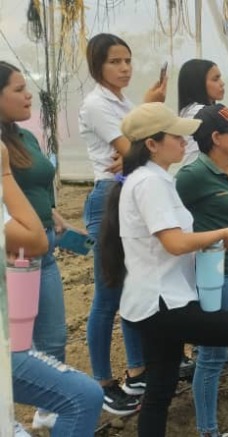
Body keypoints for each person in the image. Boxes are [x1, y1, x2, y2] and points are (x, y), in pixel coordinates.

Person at [100, 102, 228, 436]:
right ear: (152, 144)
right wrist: (221, 235)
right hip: (163, 303)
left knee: (160, 388)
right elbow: (174, 243)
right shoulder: (150, 183)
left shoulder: (153, 179)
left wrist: (212, 242)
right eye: (176, 137)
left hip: (153, 301)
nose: (184, 142)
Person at [3, 75, 105, 437]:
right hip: (16, 253)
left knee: (53, 336)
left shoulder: (24, 137)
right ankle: (9, 416)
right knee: (16, 345)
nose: (28, 95)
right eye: (18, 89)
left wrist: (52, 213)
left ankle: (47, 410)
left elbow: (37, 185)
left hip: (42, 245)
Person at [78, 32, 164, 415]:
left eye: (127, 60)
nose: (125, 68)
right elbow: (135, 150)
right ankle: (102, 382)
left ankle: (137, 370)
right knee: (108, 294)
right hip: (108, 197)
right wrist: (134, 152)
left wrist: (133, 151)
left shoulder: (124, 103)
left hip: (128, 193)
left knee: (132, 288)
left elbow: (135, 151)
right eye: (115, 61)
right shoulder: (96, 104)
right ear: (97, 65)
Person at [176, 103, 228, 437]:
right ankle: (207, 430)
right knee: (213, 354)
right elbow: (172, 225)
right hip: (216, 277)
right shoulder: (191, 177)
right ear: (215, 138)